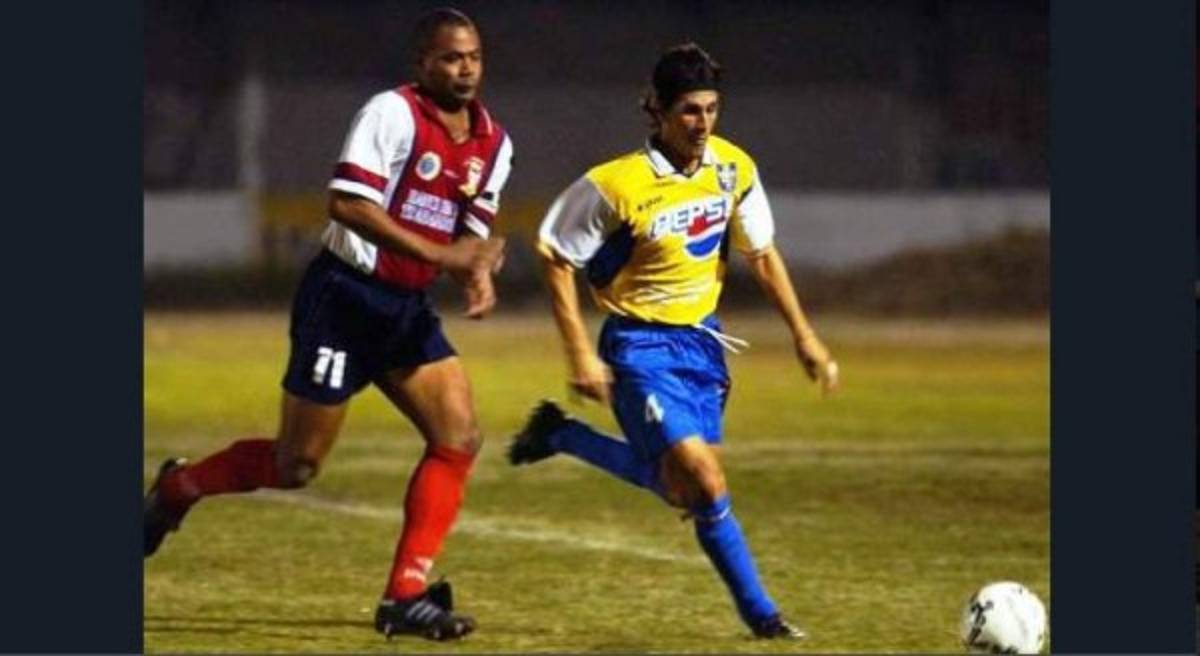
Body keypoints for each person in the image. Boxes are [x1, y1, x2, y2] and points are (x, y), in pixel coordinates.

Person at [143, 8, 512, 642]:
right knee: (296, 465)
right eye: (451, 57)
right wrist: (444, 255)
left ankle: (405, 596)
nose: (465, 69)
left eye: (473, 57)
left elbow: (468, 238)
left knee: (459, 436)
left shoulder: (494, 145)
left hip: (404, 310)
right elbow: (346, 203)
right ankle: (179, 487)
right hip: (343, 299)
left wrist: (476, 272)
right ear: (422, 63)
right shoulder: (392, 113)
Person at [508, 42, 838, 640]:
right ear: (656, 110)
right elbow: (554, 254)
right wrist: (578, 351)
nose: (702, 123)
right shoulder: (616, 184)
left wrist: (804, 336)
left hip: (703, 347)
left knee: (683, 490)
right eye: (689, 110)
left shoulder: (733, 169)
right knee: (705, 480)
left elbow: (762, 256)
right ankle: (764, 618)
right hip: (637, 349)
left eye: (711, 109)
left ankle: (561, 434)